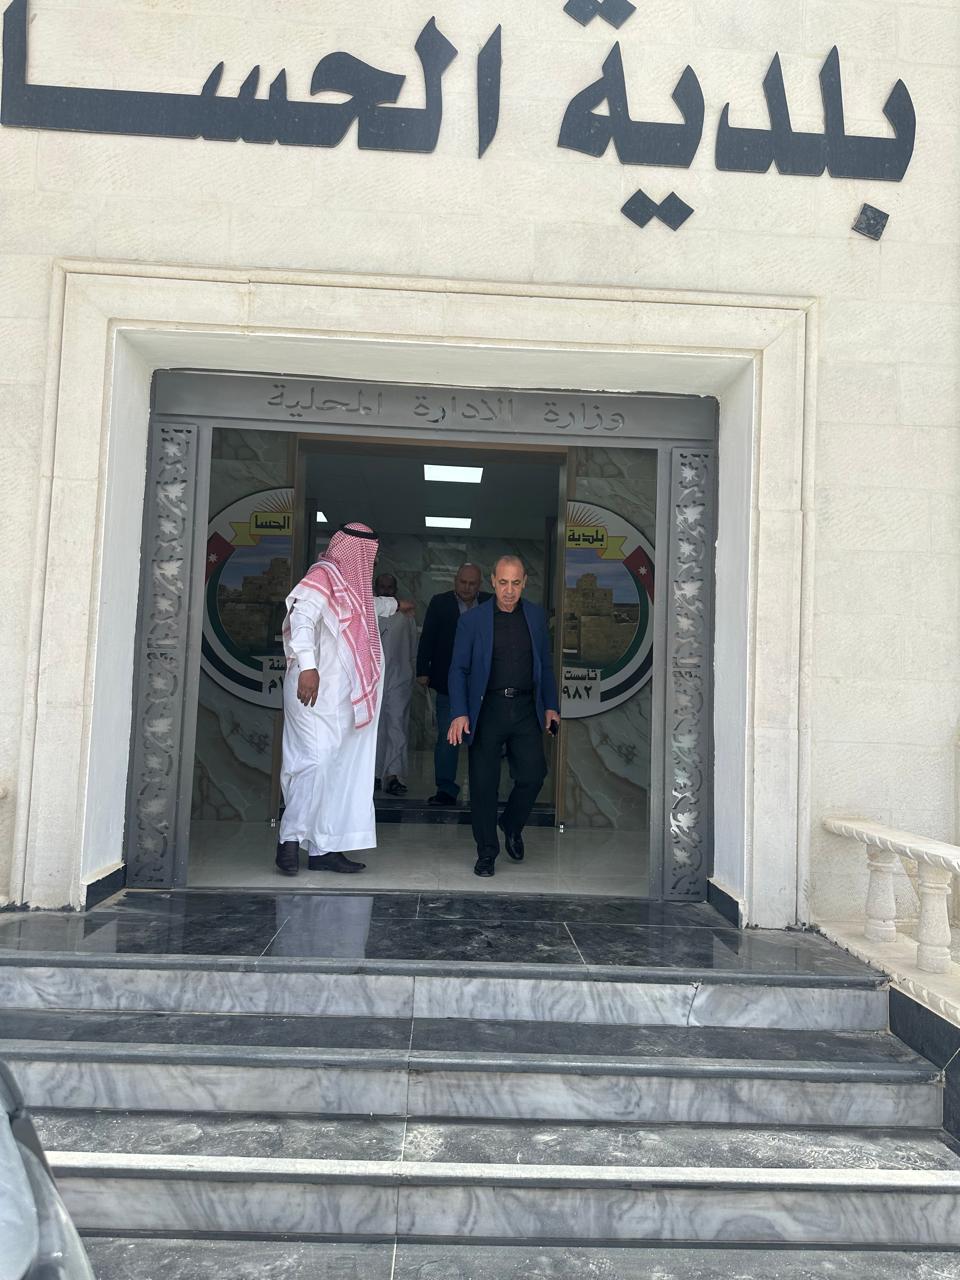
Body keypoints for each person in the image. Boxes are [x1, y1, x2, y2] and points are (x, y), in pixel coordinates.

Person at [275, 523, 414, 877]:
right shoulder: (323, 576)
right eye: (368, 556)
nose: (371, 563)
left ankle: (324, 848)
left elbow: (365, 607)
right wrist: (308, 666)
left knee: (336, 768)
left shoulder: (350, 587)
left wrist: (396, 604)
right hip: (310, 691)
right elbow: (302, 617)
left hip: (339, 699)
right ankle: (289, 840)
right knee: (313, 762)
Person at [447, 555, 560, 877]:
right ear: (493, 582)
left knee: (534, 775)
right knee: (484, 785)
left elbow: (545, 665)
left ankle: (511, 823)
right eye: (503, 583)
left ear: (524, 583)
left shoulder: (536, 617)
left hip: (525, 708)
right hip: (488, 710)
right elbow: (458, 669)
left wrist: (550, 706)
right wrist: (459, 712)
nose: (509, 590)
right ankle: (486, 852)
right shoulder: (473, 621)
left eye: (516, 583)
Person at [416, 563, 490, 805]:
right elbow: (428, 637)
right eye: (463, 582)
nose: (467, 587)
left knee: (483, 739)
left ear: (480, 585)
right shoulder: (440, 603)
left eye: (472, 583)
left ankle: (482, 789)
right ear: (455, 581)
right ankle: (446, 789)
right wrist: (422, 670)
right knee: (448, 737)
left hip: (483, 685)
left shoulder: (490, 603)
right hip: (449, 681)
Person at [374, 572, 417, 796]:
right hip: (372, 681)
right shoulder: (368, 612)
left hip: (399, 678)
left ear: (396, 589)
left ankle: (393, 775)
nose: (386, 590)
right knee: (374, 729)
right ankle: (373, 775)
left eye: (390, 587)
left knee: (397, 727)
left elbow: (413, 648)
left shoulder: (405, 615)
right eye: (382, 586)